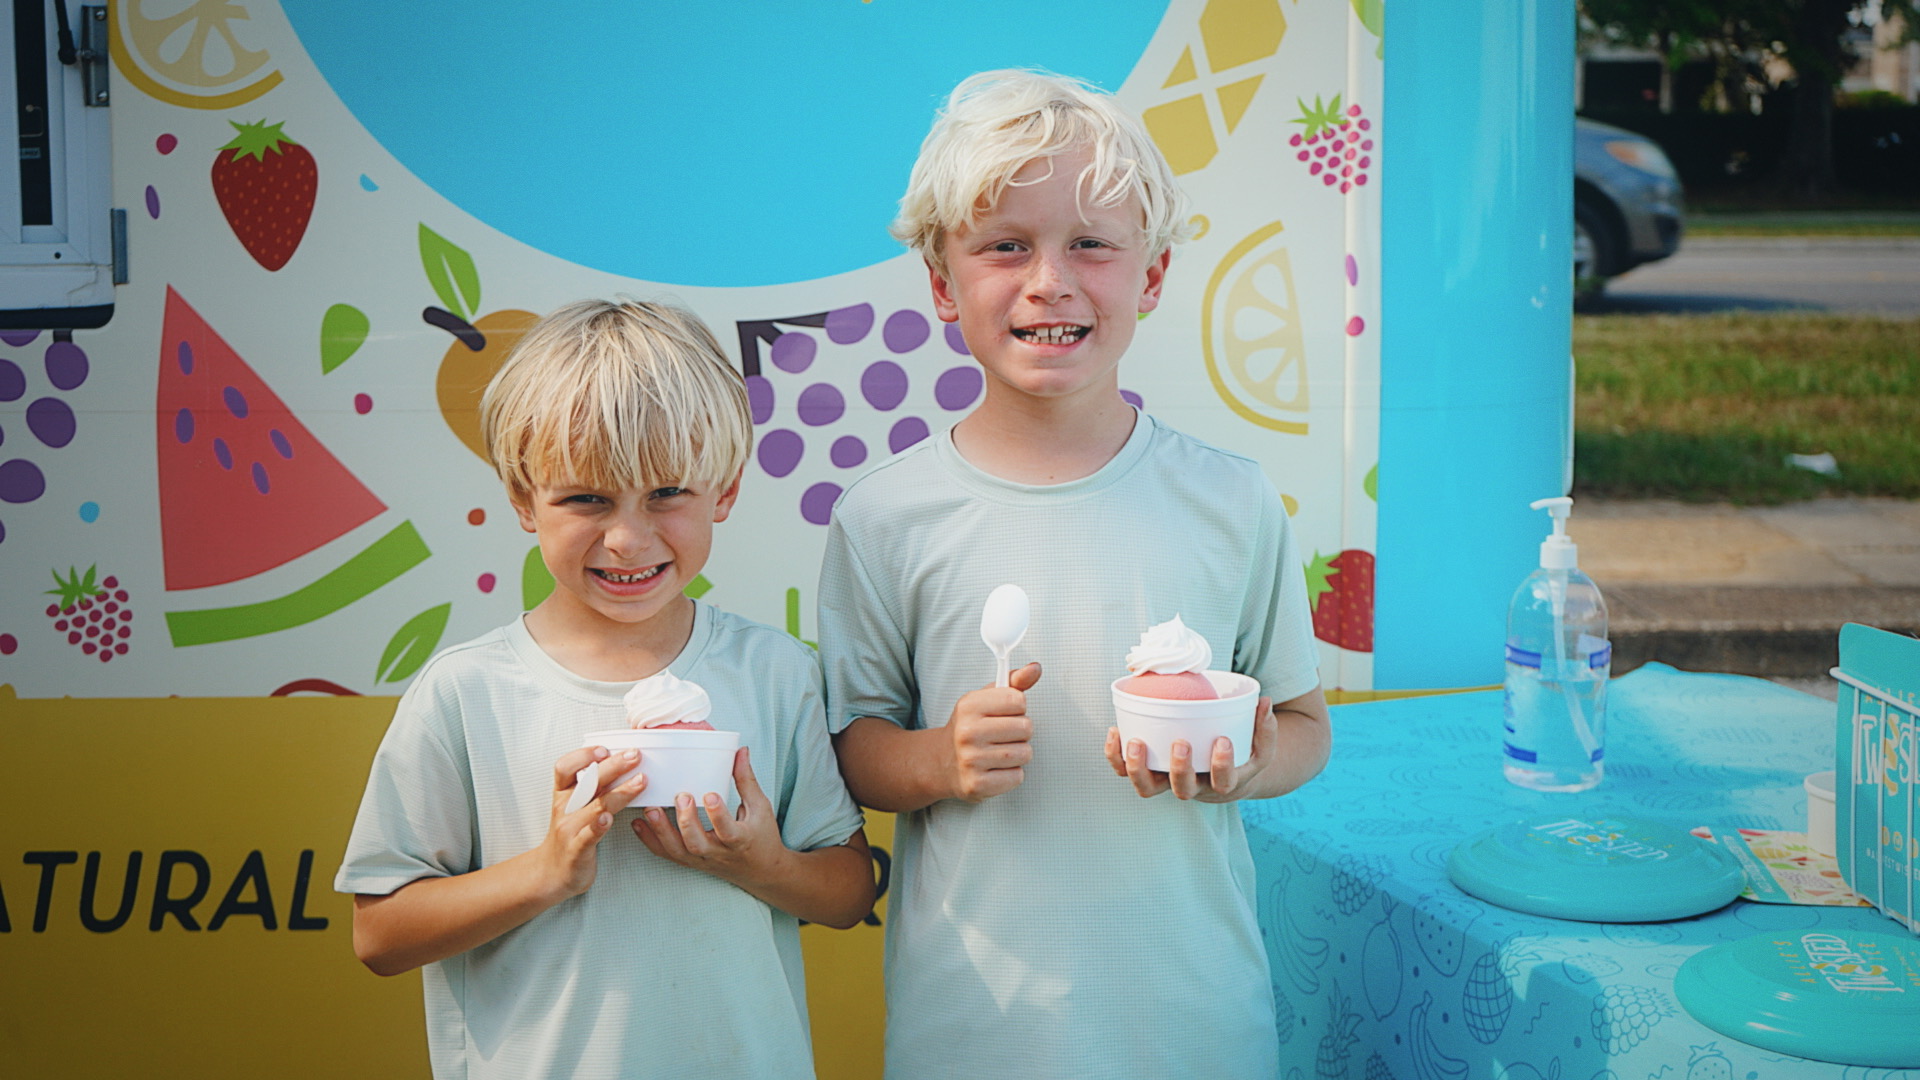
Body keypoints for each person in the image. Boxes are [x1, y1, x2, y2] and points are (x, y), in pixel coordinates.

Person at [818, 70, 1332, 1078]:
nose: (1049, 280)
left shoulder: (1232, 500)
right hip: (972, 1027)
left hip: (1193, 1021)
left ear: (1150, 276)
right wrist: (939, 762)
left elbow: (1306, 728)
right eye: (1005, 245)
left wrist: (1252, 760)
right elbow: (853, 747)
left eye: (1090, 244)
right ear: (940, 281)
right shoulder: (884, 517)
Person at [336, 299, 875, 1080]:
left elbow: (849, 889)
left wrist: (760, 865)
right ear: (524, 498)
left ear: (723, 490)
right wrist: (546, 870)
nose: (627, 538)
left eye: (666, 495)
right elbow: (380, 935)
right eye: (586, 498)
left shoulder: (777, 671)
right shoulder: (464, 692)